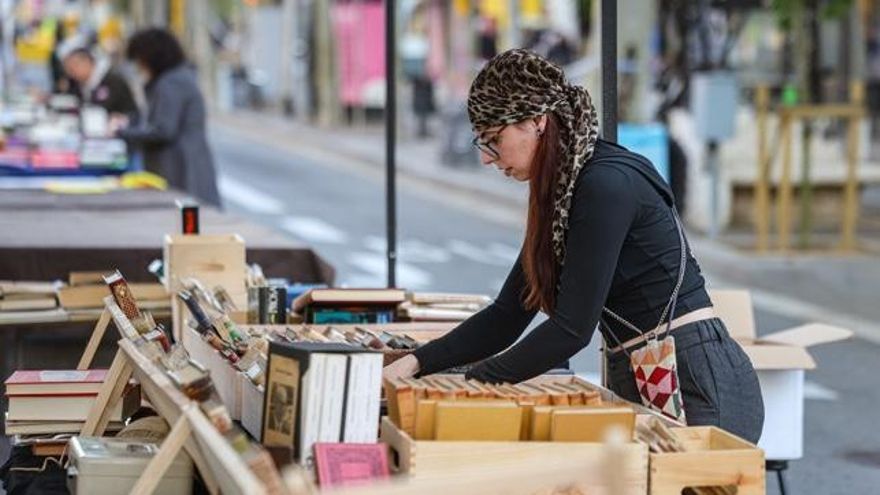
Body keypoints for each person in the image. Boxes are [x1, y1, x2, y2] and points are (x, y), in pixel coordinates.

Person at [384, 49, 764, 443]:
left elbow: (571, 329)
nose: (485, 158)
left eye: (494, 139)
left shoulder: (604, 184)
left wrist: (473, 383)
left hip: (694, 377)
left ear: (537, 121)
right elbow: (507, 315)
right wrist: (414, 363)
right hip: (645, 371)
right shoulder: (563, 193)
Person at [116, 28, 220, 207]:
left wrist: (122, 132)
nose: (139, 66)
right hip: (184, 165)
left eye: (139, 60)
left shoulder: (171, 83)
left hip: (180, 168)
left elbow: (163, 131)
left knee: (186, 215)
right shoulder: (177, 78)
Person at [60, 46, 138, 116]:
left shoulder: (112, 81)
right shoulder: (76, 84)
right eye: (69, 70)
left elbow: (103, 108)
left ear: (87, 62)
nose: (72, 73)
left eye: (74, 67)